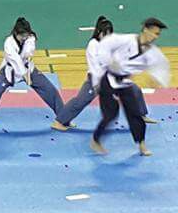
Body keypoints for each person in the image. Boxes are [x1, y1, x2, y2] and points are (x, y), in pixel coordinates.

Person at [51, 17, 154, 132]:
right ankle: (58, 122)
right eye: (105, 34)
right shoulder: (93, 45)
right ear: (99, 32)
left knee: (134, 90)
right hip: (96, 78)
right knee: (81, 100)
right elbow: (94, 65)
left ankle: (141, 115)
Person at [0, 18, 64, 131]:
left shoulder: (30, 38)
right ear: (16, 33)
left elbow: (29, 50)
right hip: (9, 71)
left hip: (29, 69)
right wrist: (24, 75)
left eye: (26, 35)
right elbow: (16, 61)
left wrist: (28, 55)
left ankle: (63, 119)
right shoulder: (9, 43)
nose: (24, 38)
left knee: (49, 89)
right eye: (22, 36)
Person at [90, 18, 170, 157]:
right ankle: (96, 140)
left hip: (126, 83)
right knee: (110, 115)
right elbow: (105, 44)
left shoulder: (153, 53)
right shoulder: (126, 40)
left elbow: (162, 66)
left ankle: (142, 144)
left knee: (136, 114)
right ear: (145, 29)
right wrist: (108, 60)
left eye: (158, 34)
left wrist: (157, 79)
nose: (155, 37)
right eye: (153, 32)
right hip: (109, 80)